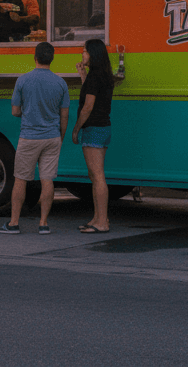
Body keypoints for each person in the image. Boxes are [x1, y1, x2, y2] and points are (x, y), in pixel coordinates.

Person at [0, 42, 69, 235]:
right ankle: (44, 223)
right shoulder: (61, 83)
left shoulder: (23, 80)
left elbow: (15, 111)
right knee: (47, 179)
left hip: (29, 137)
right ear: (52, 59)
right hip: (52, 137)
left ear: (34, 57)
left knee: (20, 179)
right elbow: (64, 116)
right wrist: (59, 137)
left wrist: (28, 113)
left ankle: (13, 223)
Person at [72, 40, 124, 233]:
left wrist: (76, 128)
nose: (82, 55)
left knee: (98, 176)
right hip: (103, 127)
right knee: (94, 175)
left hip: (93, 128)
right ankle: (97, 218)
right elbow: (91, 93)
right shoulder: (102, 76)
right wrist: (83, 76)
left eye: (85, 52)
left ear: (93, 54)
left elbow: (88, 106)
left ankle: (102, 221)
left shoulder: (95, 77)